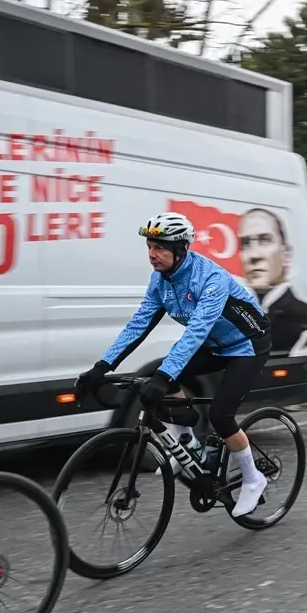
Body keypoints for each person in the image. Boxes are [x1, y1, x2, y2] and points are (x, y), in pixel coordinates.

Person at [74, 212, 272, 518]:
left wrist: (165, 375)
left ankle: (253, 478)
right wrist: (101, 366)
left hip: (247, 345)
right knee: (161, 377)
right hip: (215, 344)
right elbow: (139, 325)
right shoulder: (161, 280)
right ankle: (187, 444)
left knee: (220, 415)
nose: (152, 254)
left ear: (180, 249)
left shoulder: (211, 279)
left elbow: (196, 331)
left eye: (160, 248)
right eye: (149, 246)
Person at [237, 207, 307, 355]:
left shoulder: (305, 315)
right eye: (245, 244)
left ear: (286, 254)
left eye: (264, 240)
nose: (254, 255)